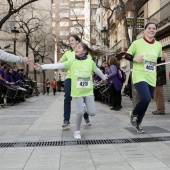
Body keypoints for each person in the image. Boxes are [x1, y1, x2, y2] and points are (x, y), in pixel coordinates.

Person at [33, 42, 106, 139]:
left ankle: (85, 108)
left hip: (88, 92)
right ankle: (77, 131)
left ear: (84, 51)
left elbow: (98, 71)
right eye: (75, 48)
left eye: (79, 47)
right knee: (79, 112)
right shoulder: (71, 62)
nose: (76, 49)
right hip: (77, 92)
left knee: (92, 112)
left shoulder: (90, 62)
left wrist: (105, 78)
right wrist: (42, 66)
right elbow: (57, 66)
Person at [124, 22, 166, 133]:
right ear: (145, 30)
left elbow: (157, 60)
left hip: (151, 76)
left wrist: (162, 58)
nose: (152, 30)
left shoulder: (158, 45)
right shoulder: (137, 43)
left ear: (155, 31)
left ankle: (138, 123)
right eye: (149, 28)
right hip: (139, 74)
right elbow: (126, 55)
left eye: (154, 28)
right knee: (146, 98)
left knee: (147, 101)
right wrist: (135, 59)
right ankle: (134, 114)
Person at [59, 35, 92, 127]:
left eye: (72, 40)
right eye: (69, 41)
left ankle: (86, 116)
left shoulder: (83, 51)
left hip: (81, 77)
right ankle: (66, 120)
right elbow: (60, 63)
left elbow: (90, 63)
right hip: (70, 77)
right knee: (67, 98)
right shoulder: (67, 53)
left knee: (83, 98)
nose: (70, 42)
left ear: (77, 41)